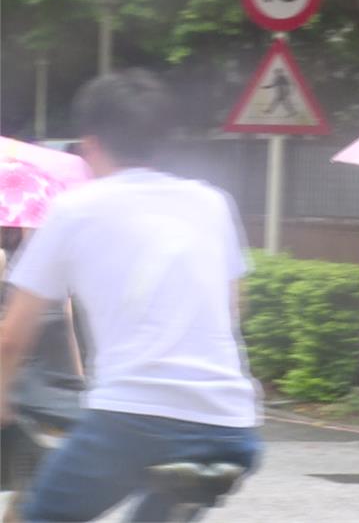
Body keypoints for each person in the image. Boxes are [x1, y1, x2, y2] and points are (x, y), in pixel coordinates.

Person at [0, 69, 262, 522]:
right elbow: (232, 309)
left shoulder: (75, 209)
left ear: (89, 144)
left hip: (134, 421)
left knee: (38, 516)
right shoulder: (211, 202)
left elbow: (13, 338)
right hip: (232, 428)